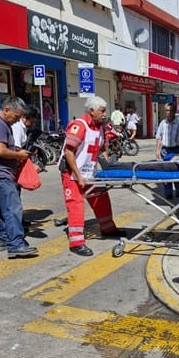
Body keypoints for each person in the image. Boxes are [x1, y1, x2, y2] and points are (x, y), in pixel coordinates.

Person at [60, 96, 125, 256]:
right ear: (91, 111)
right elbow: (69, 152)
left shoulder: (99, 128)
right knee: (76, 206)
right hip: (72, 174)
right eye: (102, 111)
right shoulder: (79, 126)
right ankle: (76, 243)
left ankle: (108, 229)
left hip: (89, 173)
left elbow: (101, 149)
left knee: (101, 199)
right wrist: (78, 176)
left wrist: (109, 169)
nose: (104, 114)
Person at [0, 97, 38, 259]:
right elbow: (0, 151)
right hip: (0, 174)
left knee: (4, 209)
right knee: (13, 209)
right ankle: (16, 245)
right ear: (6, 110)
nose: (16, 121)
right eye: (15, 116)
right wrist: (18, 154)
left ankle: (3, 239)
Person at [155, 102, 179, 199]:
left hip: (176, 150)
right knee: (166, 172)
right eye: (167, 110)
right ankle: (168, 193)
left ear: (175, 111)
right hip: (165, 150)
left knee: (176, 170)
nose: (169, 112)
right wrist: (157, 150)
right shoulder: (162, 124)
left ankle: (178, 190)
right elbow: (159, 138)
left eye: (171, 110)